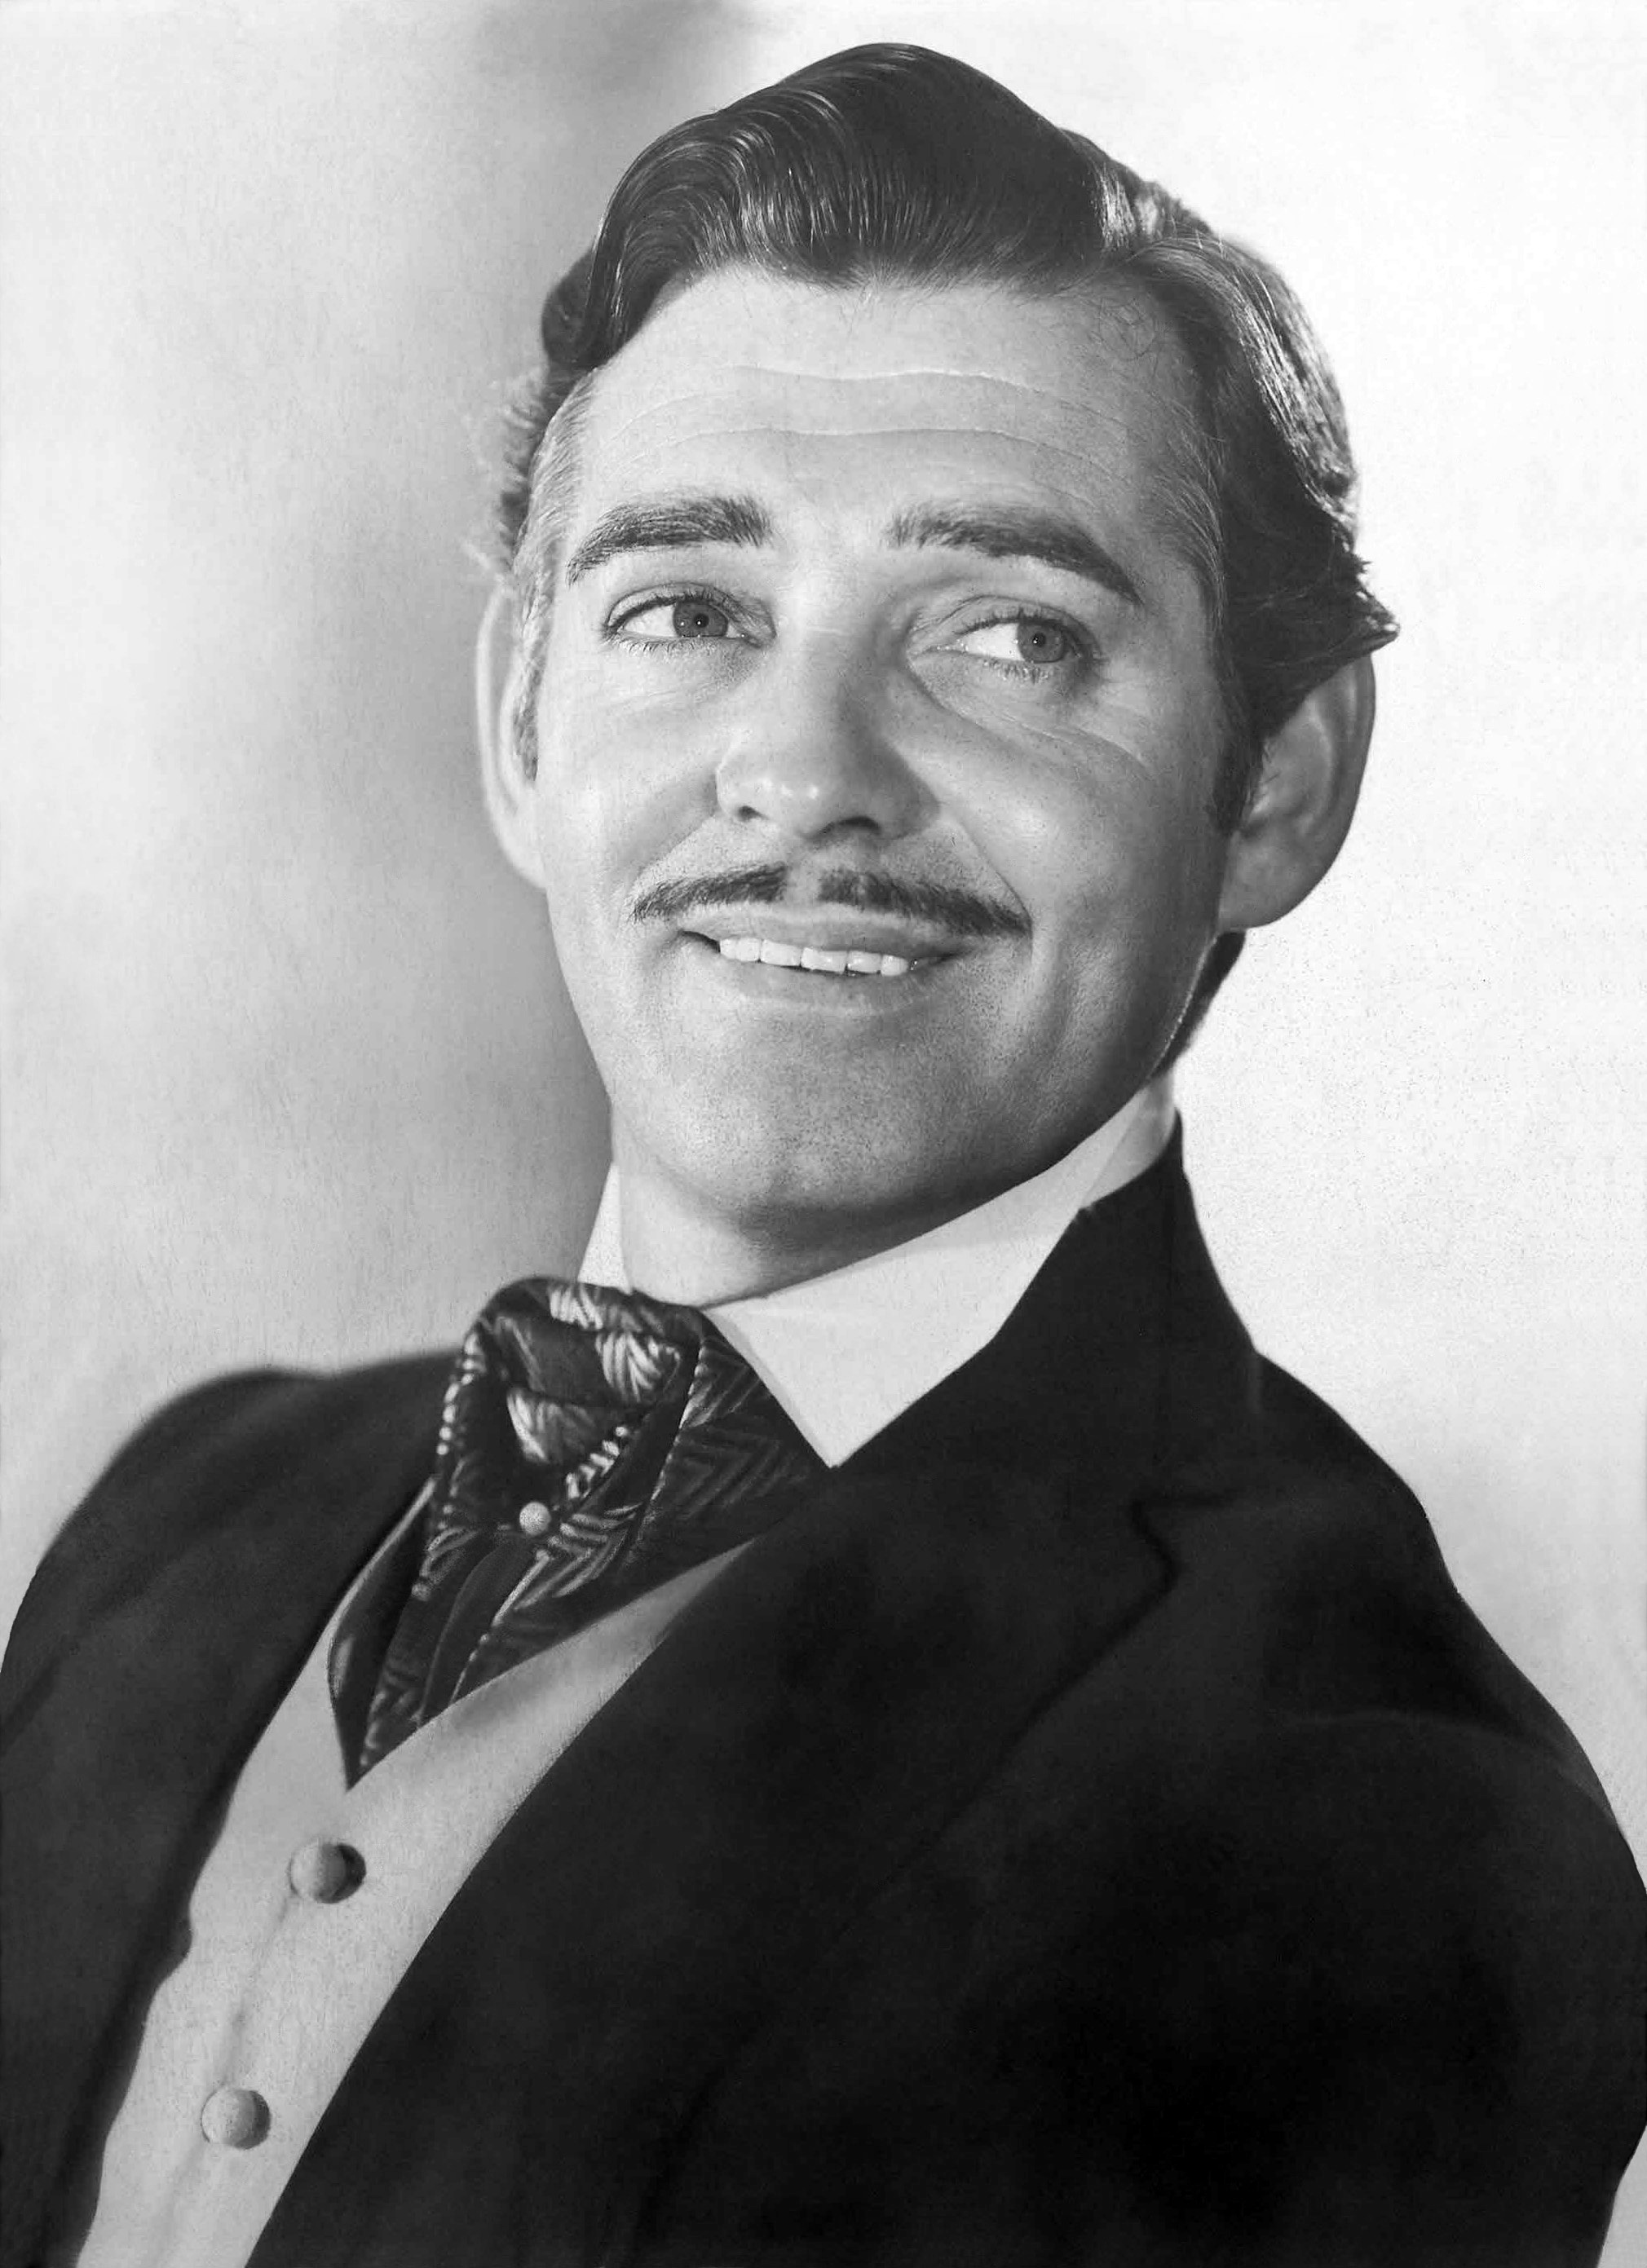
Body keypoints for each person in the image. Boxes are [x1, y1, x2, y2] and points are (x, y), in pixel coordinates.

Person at [2, 41, 1642, 2268]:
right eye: (686, 611)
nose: (801, 767)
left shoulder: (1377, 1808)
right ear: (520, 721)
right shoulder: (186, 1516)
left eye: (1008, 635)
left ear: (1273, 782)